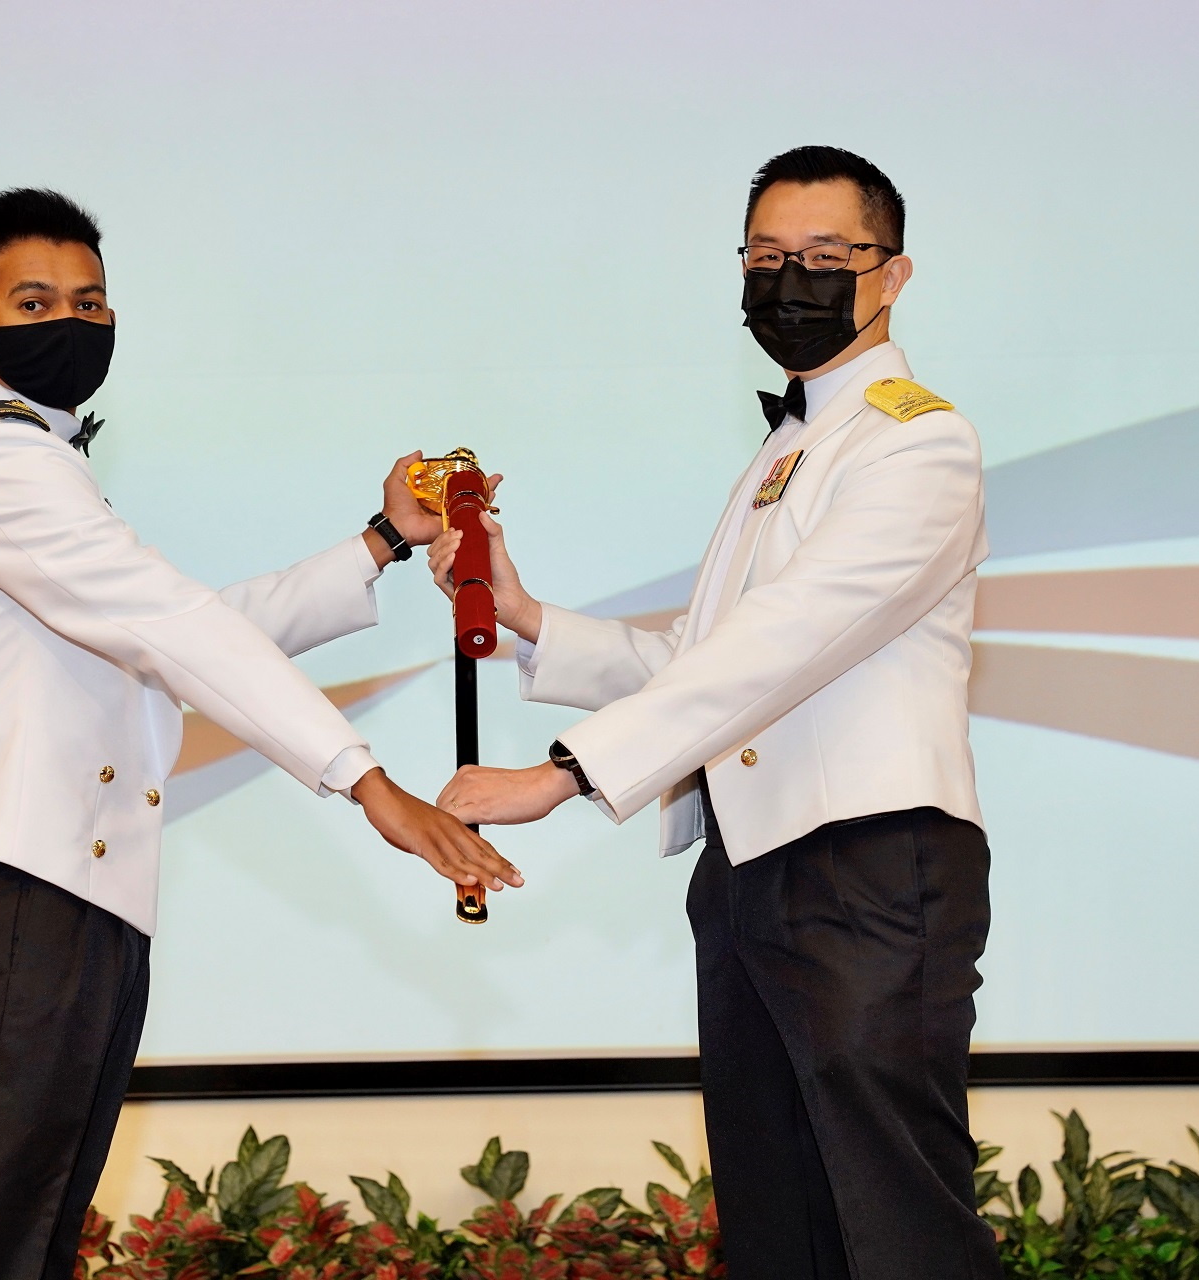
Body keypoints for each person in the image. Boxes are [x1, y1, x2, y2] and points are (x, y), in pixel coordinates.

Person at [0, 188, 522, 1280]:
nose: (70, 321)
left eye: (90, 301)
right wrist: (366, 781)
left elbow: (191, 632)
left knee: (35, 1236)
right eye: (34, 302)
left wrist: (383, 540)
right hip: (24, 892)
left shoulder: (46, 460)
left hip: (82, 897)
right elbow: (175, 626)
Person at [433, 147, 999, 1279]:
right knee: (780, 1219)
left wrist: (563, 774)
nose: (791, 281)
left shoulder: (918, 439)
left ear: (892, 275)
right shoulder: (787, 448)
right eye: (766, 257)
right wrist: (524, 612)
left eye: (825, 256)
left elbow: (783, 644)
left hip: (867, 865)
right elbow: (697, 661)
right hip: (752, 871)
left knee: (896, 1227)